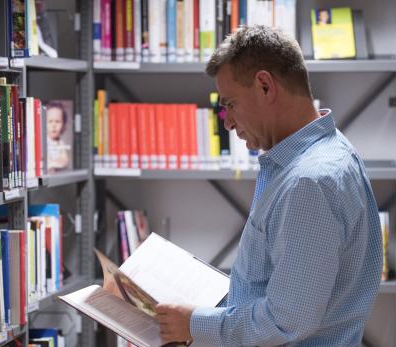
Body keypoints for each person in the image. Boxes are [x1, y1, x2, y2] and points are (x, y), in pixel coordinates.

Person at [155, 25, 382, 346]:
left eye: (230, 103)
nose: (227, 121)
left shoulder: (310, 181)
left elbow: (285, 320)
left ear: (264, 86)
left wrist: (193, 324)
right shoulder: (326, 153)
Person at [45, 101, 71, 173]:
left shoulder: (60, 143)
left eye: (57, 121)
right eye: (50, 121)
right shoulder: (43, 141)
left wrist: (54, 164)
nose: (54, 125)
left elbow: (65, 161)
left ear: (63, 124)